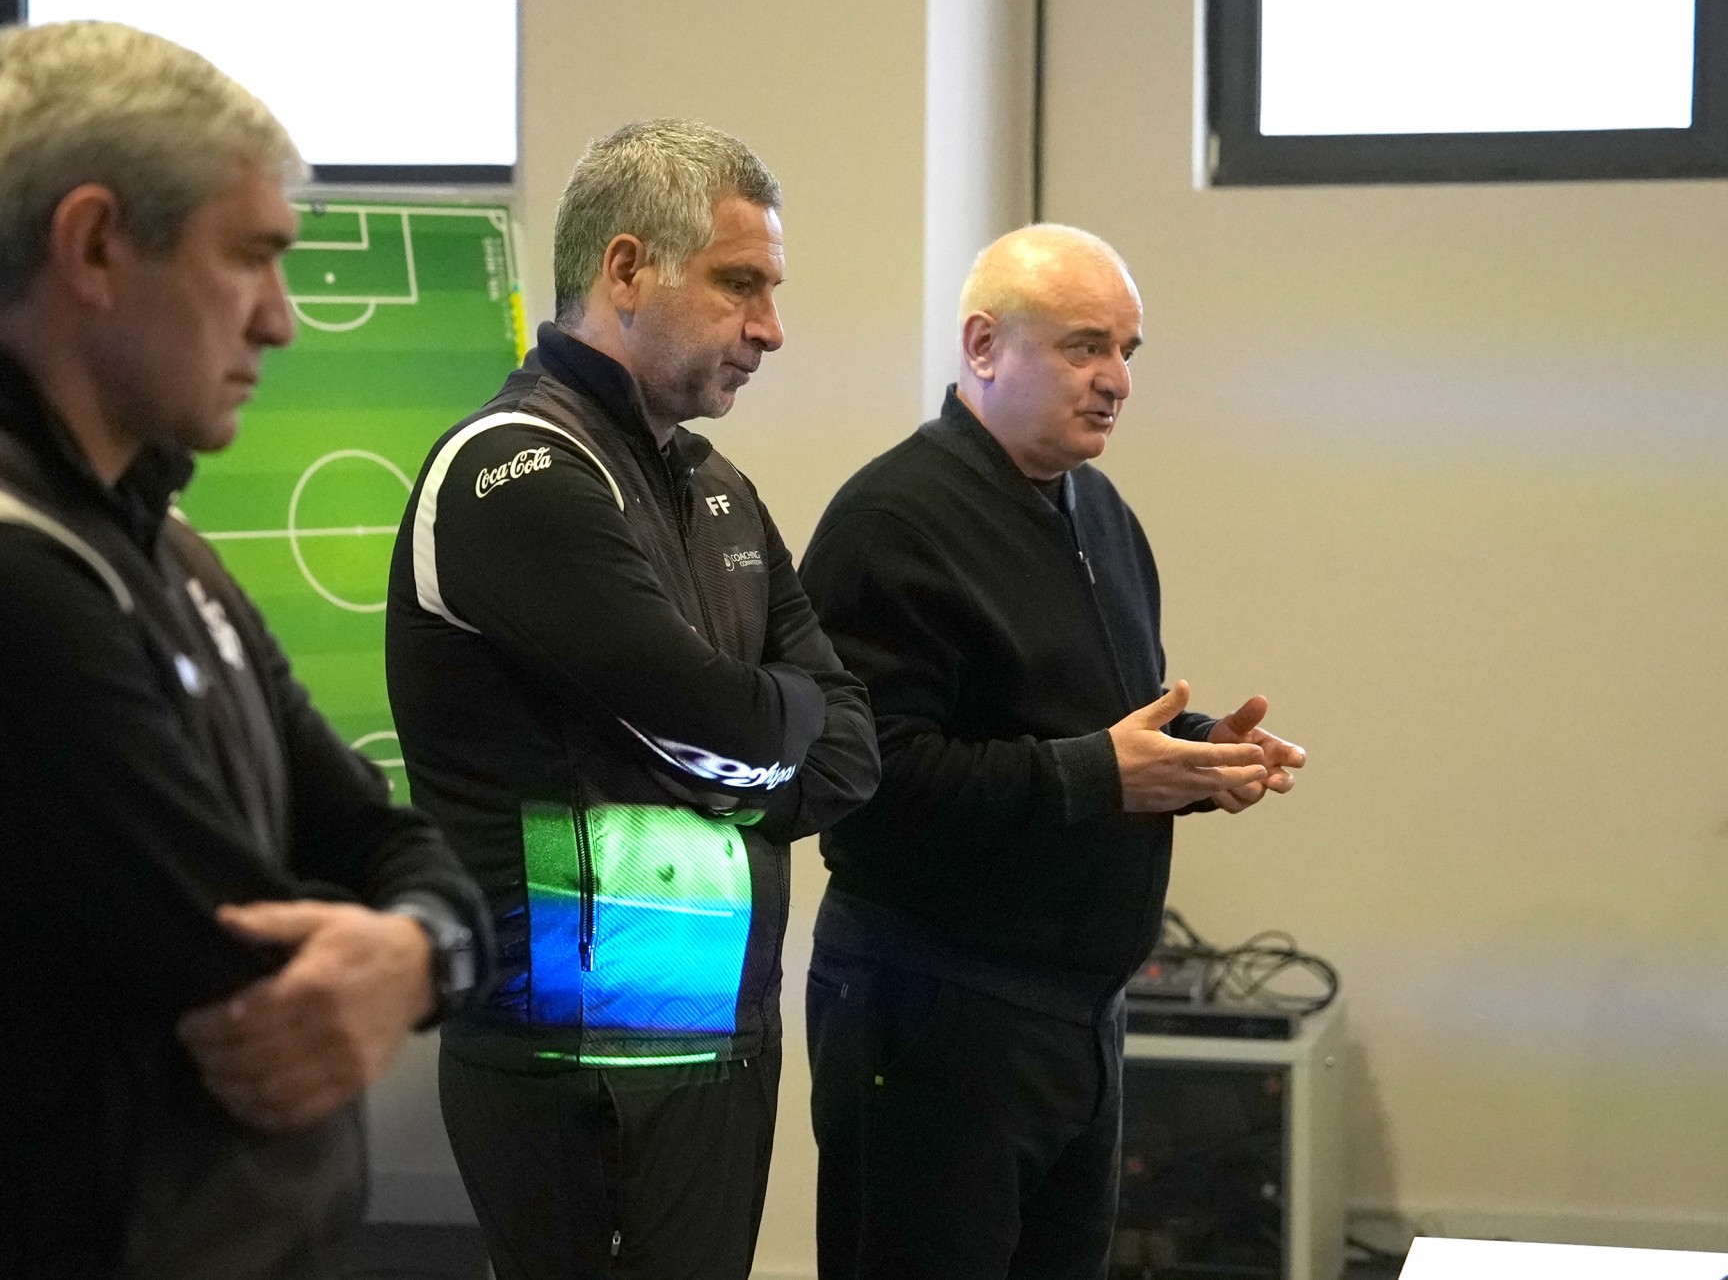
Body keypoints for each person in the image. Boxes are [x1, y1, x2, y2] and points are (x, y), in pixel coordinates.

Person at [0, 22, 490, 1278]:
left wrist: (416, 948)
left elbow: (374, 830)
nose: (281, 319)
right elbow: (259, 988)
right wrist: (417, 946)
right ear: (95, 245)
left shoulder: (156, 539)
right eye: (250, 255)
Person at [385, 118, 878, 1279]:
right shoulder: (513, 471)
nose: (771, 327)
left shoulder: (717, 486)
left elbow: (852, 748)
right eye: (740, 283)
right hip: (570, 1065)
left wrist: (751, 726)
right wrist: (763, 724)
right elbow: (732, 723)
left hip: (722, 1044)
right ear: (624, 270)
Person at [798, 224, 1308, 1280]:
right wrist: (1103, 773)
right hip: (935, 1014)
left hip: (1078, 1018)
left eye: (1127, 350)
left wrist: (1198, 755)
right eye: (1085, 347)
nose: (1116, 379)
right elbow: (868, 783)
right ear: (984, 346)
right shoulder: (892, 521)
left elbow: (1083, 722)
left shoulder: (1098, 509)